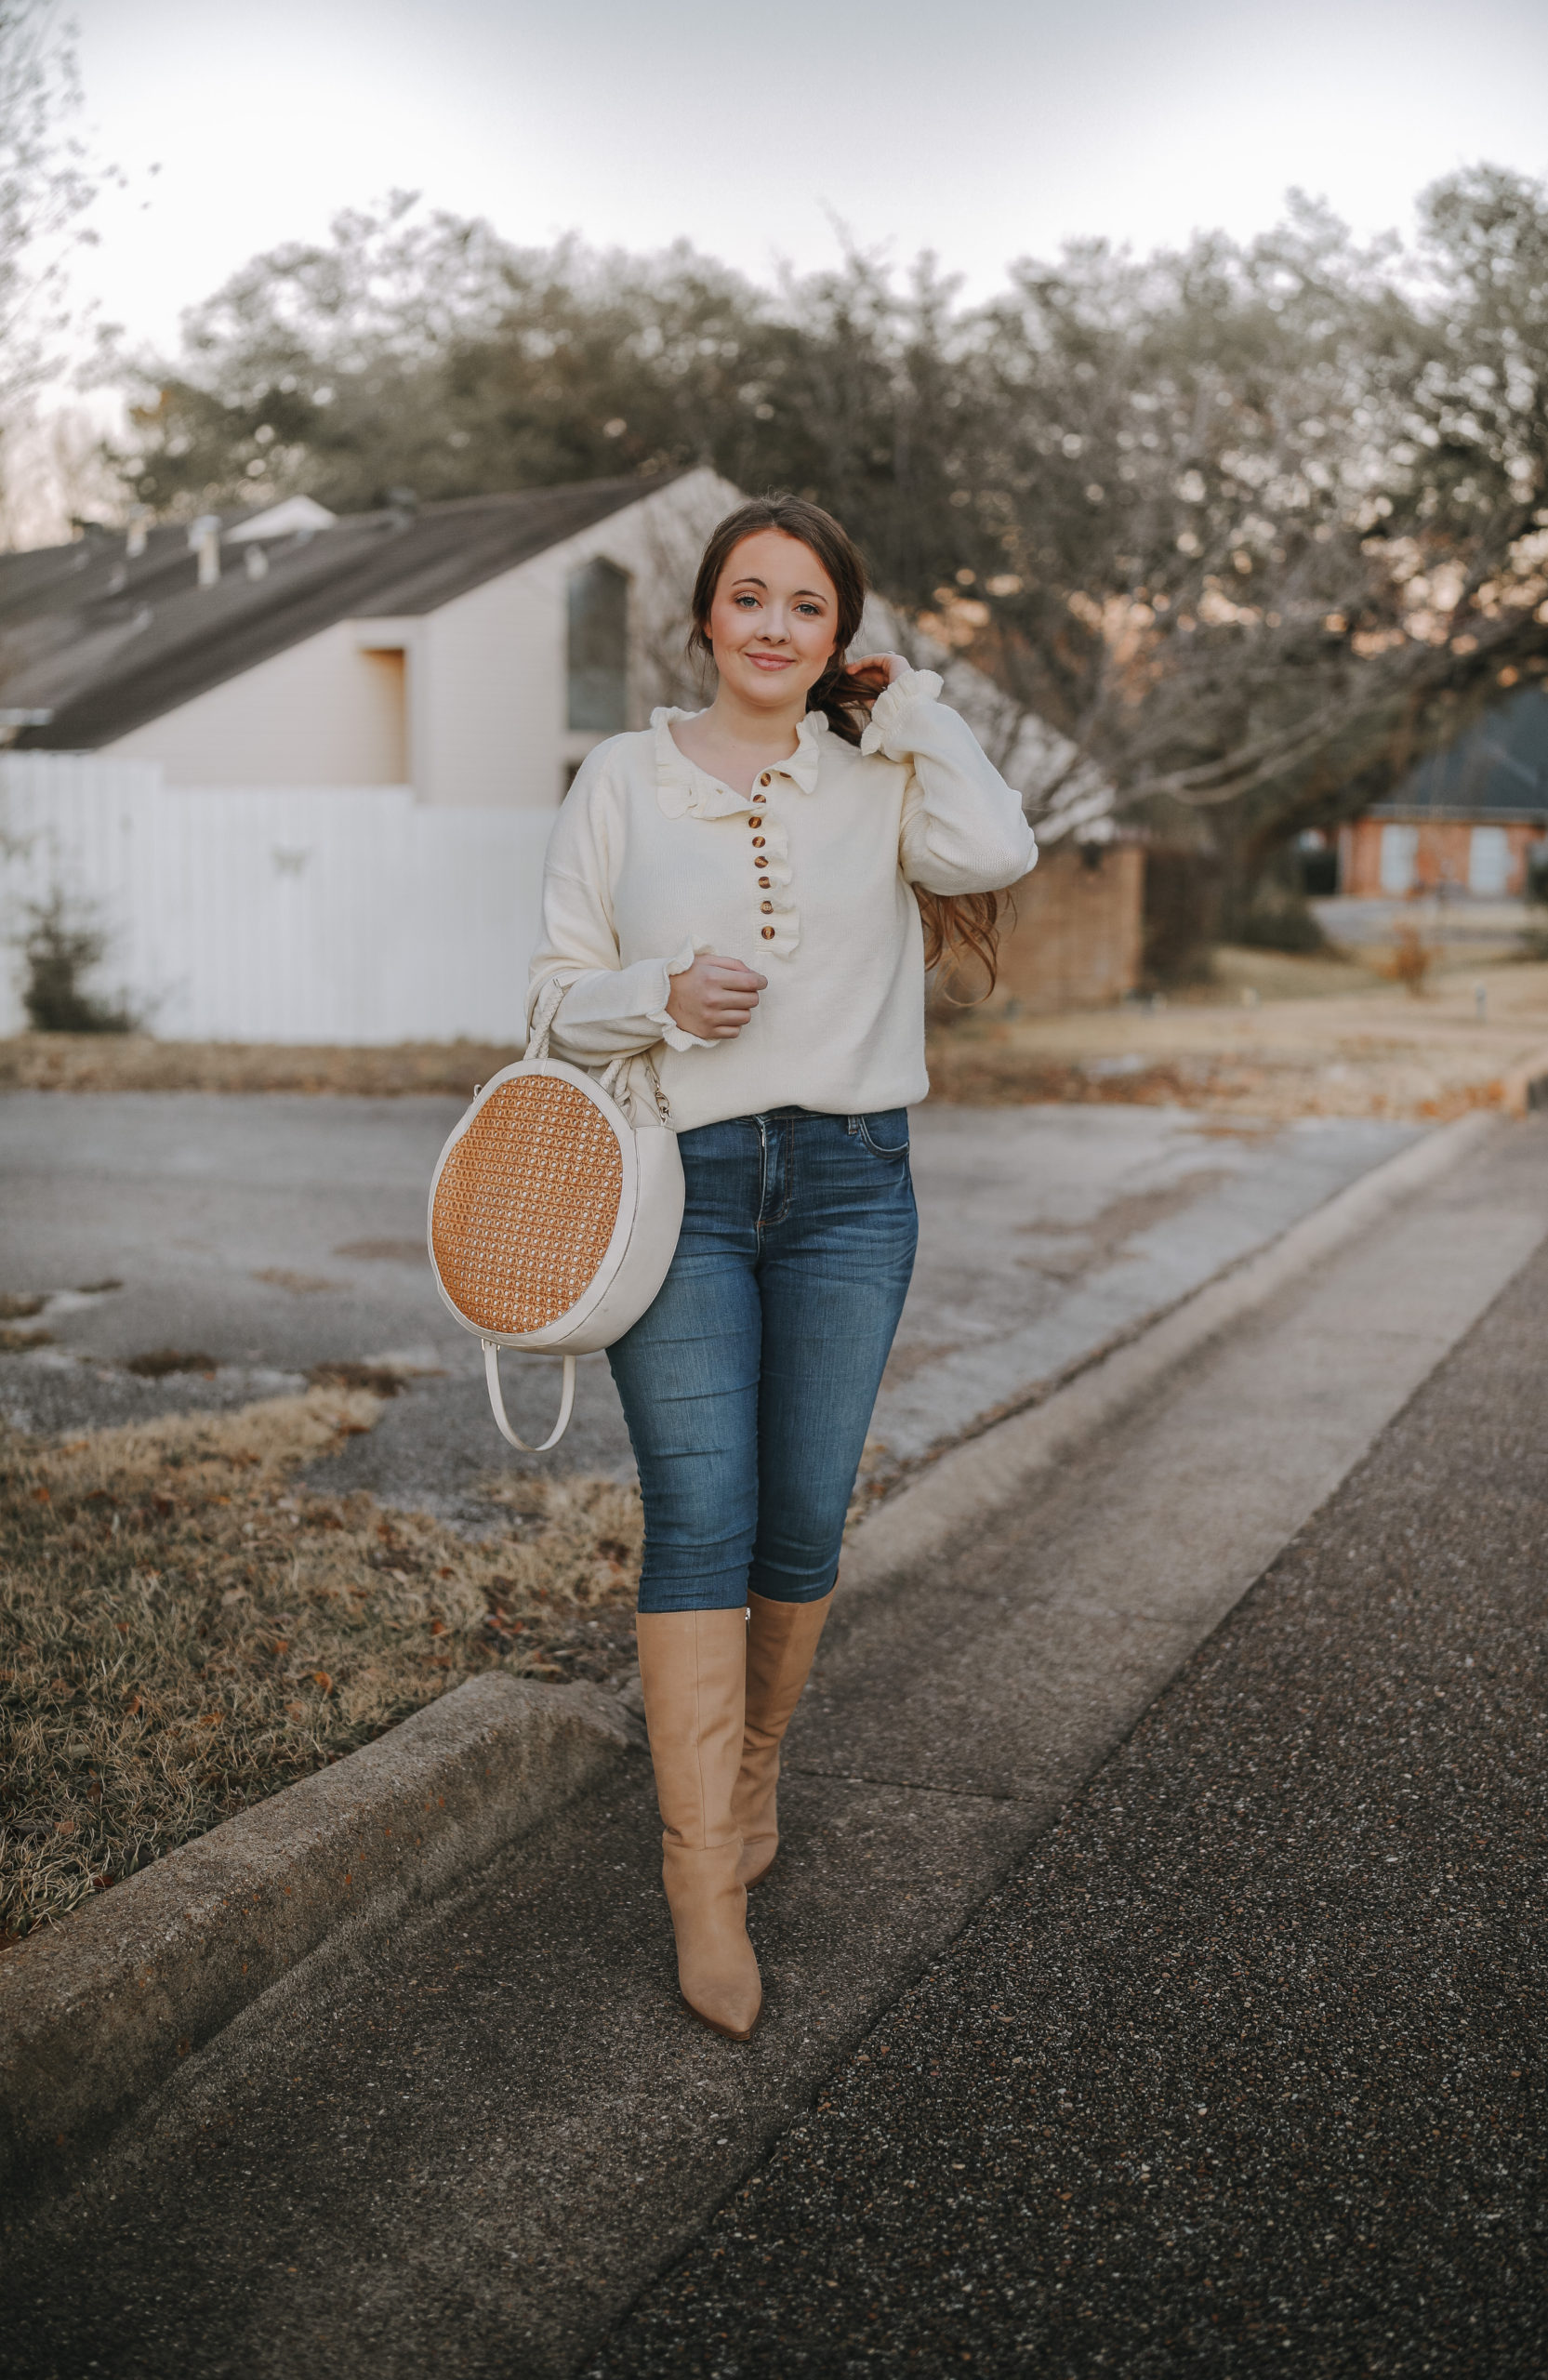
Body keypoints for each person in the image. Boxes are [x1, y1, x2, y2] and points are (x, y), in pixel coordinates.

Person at [527, 495, 1035, 2038]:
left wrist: (915, 706)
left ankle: (751, 1782)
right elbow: (551, 996)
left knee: (804, 1510)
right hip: (674, 1183)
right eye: (745, 598)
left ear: (834, 638)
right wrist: (661, 991)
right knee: (702, 1509)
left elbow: (996, 844)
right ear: (701, 619)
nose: (769, 626)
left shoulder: (877, 772)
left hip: (848, 1188)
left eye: (802, 609)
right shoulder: (619, 776)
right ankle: (702, 1885)